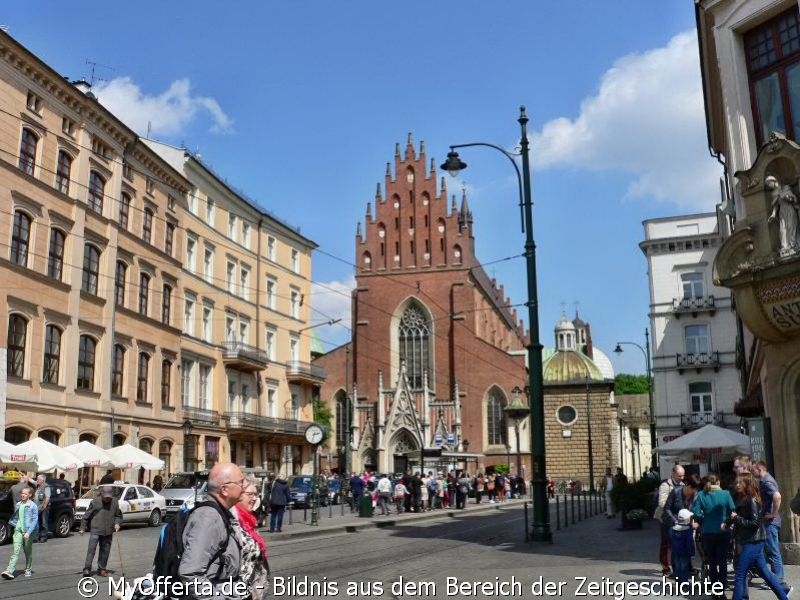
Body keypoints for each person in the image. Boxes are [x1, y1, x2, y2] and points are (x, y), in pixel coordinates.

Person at [179, 462, 244, 600]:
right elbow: (191, 573)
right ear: (224, 489)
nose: (243, 487)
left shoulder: (220, 513)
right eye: (241, 483)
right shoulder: (208, 517)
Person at [725, 474, 789, 600]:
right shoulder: (742, 498)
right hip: (751, 540)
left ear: (747, 484)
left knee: (740, 574)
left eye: (740, 483)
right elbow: (737, 515)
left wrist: (736, 518)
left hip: (753, 541)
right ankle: (784, 597)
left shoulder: (752, 500)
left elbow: (755, 523)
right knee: (766, 574)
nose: (737, 485)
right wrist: (728, 522)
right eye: (736, 482)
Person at [753, 460, 792, 595]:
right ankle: (775, 579)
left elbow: (777, 496)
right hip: (770, 521)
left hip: (771, 522)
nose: (752, 472)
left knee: (773, 551)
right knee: (771, 550)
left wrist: (773, 513)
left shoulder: (766, 481)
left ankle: (778, 580)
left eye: (754, 469)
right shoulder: (766, 480)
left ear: (760, 469)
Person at [692, 473, 735, 594]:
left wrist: (703, 520)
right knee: (722, 559)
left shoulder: (701, 495)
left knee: (711, 559)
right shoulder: (726, 494)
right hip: (723, 530)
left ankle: (714, 583)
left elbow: (696, 513)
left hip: (707, 531)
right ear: (719, 482)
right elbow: (732, 510)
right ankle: (723, 582)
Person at [233, 481, 269, 600]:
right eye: (250, 494)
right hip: (237, 590)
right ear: (239, 494)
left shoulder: (249, 519)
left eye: (256, 494)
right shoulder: (233, 519)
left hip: (251, 587)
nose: (254, 498)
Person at [79, 485, 123, 577]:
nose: (107, 499)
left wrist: (117, 523)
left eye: (109, 497)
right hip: (96, 529)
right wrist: (82, 528)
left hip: (108, 531)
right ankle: (87, 568)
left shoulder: (115, 502)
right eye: (105, 497)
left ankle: (102, 568)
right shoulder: (95, 502)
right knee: (91, 550)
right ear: (102, 494)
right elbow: (86, 516)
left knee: (105, 551)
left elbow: (118, 515)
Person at [654, 464, 685, 576]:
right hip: (664, 518)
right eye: (679, 476)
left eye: (683, 476)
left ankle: (678, 567)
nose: (682, 478)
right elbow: (662, 503)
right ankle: (665, 567)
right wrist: (675, 507)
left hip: (678, 518)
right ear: (673, 474)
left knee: (676, 542)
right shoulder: (665, 485)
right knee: (665, 542)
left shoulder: (682, 485)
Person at [2, 486, 38, 579]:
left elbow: (35, 520)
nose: (23, 495)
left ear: (30, 495)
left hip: (28, 532)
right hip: (18, 531)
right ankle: (9, 570)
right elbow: (17, 517)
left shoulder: (33, 506)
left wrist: (28, 532)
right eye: (22, 493)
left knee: (27, 551)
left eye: (25, 494)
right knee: (15, 552)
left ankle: (28, 569)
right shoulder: (18, 504)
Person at [766, 175, 800, 256]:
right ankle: (785, 248)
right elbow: (776, 205)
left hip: (790, 209)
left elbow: (792, 199)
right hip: (782, 212)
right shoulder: (774, 193)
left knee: (792, 228)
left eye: (769, 184)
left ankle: (794, 246)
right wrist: (773, 214)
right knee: (782, 230)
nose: (769, 186)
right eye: (767, 185)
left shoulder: (785, 188)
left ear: (773, 181)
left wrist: (788, 197)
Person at [670, 508, 695, 584]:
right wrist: (692, 552)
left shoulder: (673, 529)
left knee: (677, 567)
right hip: (685, 552)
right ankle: (684, 582)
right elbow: (689, 542)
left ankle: (678, 581)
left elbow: (670, 539)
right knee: (684, 567)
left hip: (675, 551)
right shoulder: (688, 530)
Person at [33, 475, 50, 543]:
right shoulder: (38, 485)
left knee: (44, 522)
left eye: (38, 479)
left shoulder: (46, 486)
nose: (37, 480)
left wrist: (45, 506)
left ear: (42, 480)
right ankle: (36, 537)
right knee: (36, 522)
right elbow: (31, 481)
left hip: (43, 507)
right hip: (37, 507)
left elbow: (47, 497)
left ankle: (43, 537)